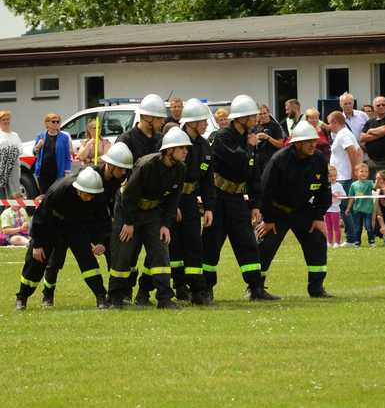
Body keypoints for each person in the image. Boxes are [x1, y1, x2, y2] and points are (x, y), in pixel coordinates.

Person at [40, 142, 134, 307]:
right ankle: (47, 294)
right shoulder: (89, 176)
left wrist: (101, 240)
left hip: (92, 222)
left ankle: (109, 296)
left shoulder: (117, 180)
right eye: (120, 168)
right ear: (110, 165)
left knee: (96, 258)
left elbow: (103, 212)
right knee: (55, 261)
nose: (123, 173)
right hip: (69, 222)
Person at [200, 95, 275, 301]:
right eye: (251, 116)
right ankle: (206, 288)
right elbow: (235, 161)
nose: (255, 119)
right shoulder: (221, 137)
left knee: (247, 243)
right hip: (217, 198)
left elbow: (253, 174)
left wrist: (255, 204)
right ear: (241, 118)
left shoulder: (247, 139)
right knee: (211, 245)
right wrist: (250, 148)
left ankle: (255, 287)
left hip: (237, 200)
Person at [107, 127, 189, 309]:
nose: (185, 151)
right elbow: (128, 196)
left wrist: (166, 225)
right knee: (124, 254)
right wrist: (128, 223)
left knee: (160, 253)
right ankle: (115, 297)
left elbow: (173, 200)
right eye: (181, 148)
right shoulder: (146, 166)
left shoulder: (181, 169)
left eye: (186, 148)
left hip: (153, 213)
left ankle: (164, 298)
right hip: (130, 211)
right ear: (169, 150)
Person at [256, 120, 333, 298]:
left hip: (303, 211)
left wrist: (318, 217)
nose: (313, 145)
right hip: (277, 212)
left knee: (317, 243)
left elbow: (324, 190)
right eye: (308, 142)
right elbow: (265, 190)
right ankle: (256, 289)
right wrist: (268, 219)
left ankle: (316, 288)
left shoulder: (319, 159)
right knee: (265, 247)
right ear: (297, 143)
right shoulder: (279, 160)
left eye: (314, 141)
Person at [15, 167, 109, 310]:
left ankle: (101, 297)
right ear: (79, 189)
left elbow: (102, 220)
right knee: (36, 262)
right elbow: (41, 216)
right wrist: (37, 244)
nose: (90, 198)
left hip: (76, 226)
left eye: (93, 195)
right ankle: (22, 297)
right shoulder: (60, 190)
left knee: (88, 261)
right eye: (87, 195)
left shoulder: (97, 195)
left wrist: (101, 241)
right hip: (51, 225)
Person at [116, 93, 166, 298]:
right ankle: (125, 293)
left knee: (156, 252)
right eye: (160, 119)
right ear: (148, 118)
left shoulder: (162, 140)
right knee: (128, 253)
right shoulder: (126, 140)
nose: (163, 122)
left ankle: (145, 293)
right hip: (130, 206)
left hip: (154, 207)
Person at [166, 98, 215, 306]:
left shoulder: (204, 146)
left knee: (195, 243)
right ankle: (178, 286)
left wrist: (209, 207)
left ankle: (197, 290)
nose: (205, 124)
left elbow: (207, 181)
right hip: (173, 200)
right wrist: (173, 205)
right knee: (174, 246)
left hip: (191, 202)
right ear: (191, 123)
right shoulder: (177, 142)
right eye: (202, 121)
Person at [328, 111, 361, 247]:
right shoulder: (344, 134)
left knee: (344, 209)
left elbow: (353, 151)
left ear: (335, 121)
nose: (329, 126)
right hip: (342, 176)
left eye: (330, 123)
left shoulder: (343, 135)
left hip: (344, 177)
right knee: (345, 208)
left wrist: (354, 170)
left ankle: (351, 239)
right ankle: (352, 238)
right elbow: (359, 151)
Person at [360, 96, 385, 180]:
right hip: (371, 161)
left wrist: (370, 131)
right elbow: (362, 138)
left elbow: (384, 130)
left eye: (383, 104)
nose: (381, 106)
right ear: (374, 107)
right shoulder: (369, 122)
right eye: (378, 105)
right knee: (372, 188)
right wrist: (379, 133)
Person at [33, 113, 72, 194]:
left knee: (56, 194)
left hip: (57, 171)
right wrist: (38, 146)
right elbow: (34, 153)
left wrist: (67, 171)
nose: (56, 124)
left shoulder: (64, 137)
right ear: (47, 123)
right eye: (53, 122)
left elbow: (67, 156)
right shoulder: (41, 136)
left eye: (58, 122)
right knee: (44, 194)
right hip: (43, 171)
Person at [346, 163, 375, 247]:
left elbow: (375, 186)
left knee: (369, 226)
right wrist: (348, 208)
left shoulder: (370, 183)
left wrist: (379, 180)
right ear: (356, 173)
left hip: (368, 210)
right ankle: (357, 242)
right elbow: (351, 198)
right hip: (357, 210)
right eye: (361, 171)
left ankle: (371, 241)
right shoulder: (353, 185)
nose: (364, 173)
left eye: (366, 171)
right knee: (358, 228)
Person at [253, 104, 284, 174]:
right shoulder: (255, 127)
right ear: (257, 115)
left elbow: (281, 145)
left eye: (264, 113)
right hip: (258, 163)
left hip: (271, 161)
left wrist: (267, 137)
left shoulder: (275, 126)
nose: (263, 116)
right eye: (260, 114)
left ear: (268, 113)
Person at [0, 110, 21, 202]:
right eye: (3, 119)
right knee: (2, 194)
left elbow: (20, 149)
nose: (6, 121)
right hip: (1, 169)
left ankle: (13, 214)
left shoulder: (15, 135)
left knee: (14, 193)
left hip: (14, 168)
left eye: (7, 119)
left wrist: (11, 151)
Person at [325, 165, 345, 248]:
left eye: (334, 176)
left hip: (335, 211)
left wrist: (338, 195)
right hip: (326, 211)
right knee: (328, 227)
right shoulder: (325, 185)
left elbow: (344, 196)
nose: (333, 178)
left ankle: (337, 242)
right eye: (330, 176)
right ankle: (329, 242)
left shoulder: (339, 185)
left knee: (336, 227)